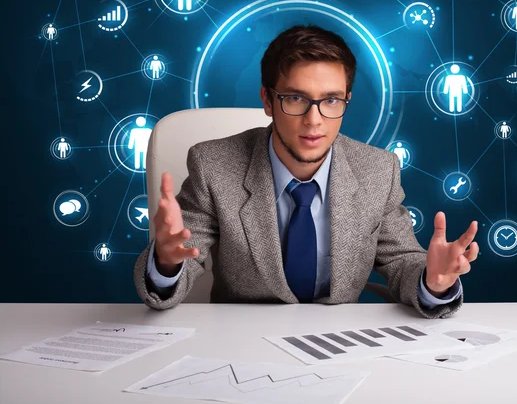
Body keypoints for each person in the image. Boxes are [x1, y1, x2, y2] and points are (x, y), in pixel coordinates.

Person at [133, 25, 479, 319]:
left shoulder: (378, 170)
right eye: (296, 99)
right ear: (268, 100)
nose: (314, 120)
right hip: (242, 345)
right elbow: (176, 271)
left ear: (346, 100)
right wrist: (165, 262)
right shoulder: (213, 166)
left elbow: (402, 262)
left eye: (330, 100)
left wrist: (435, 281)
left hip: (340, 346)